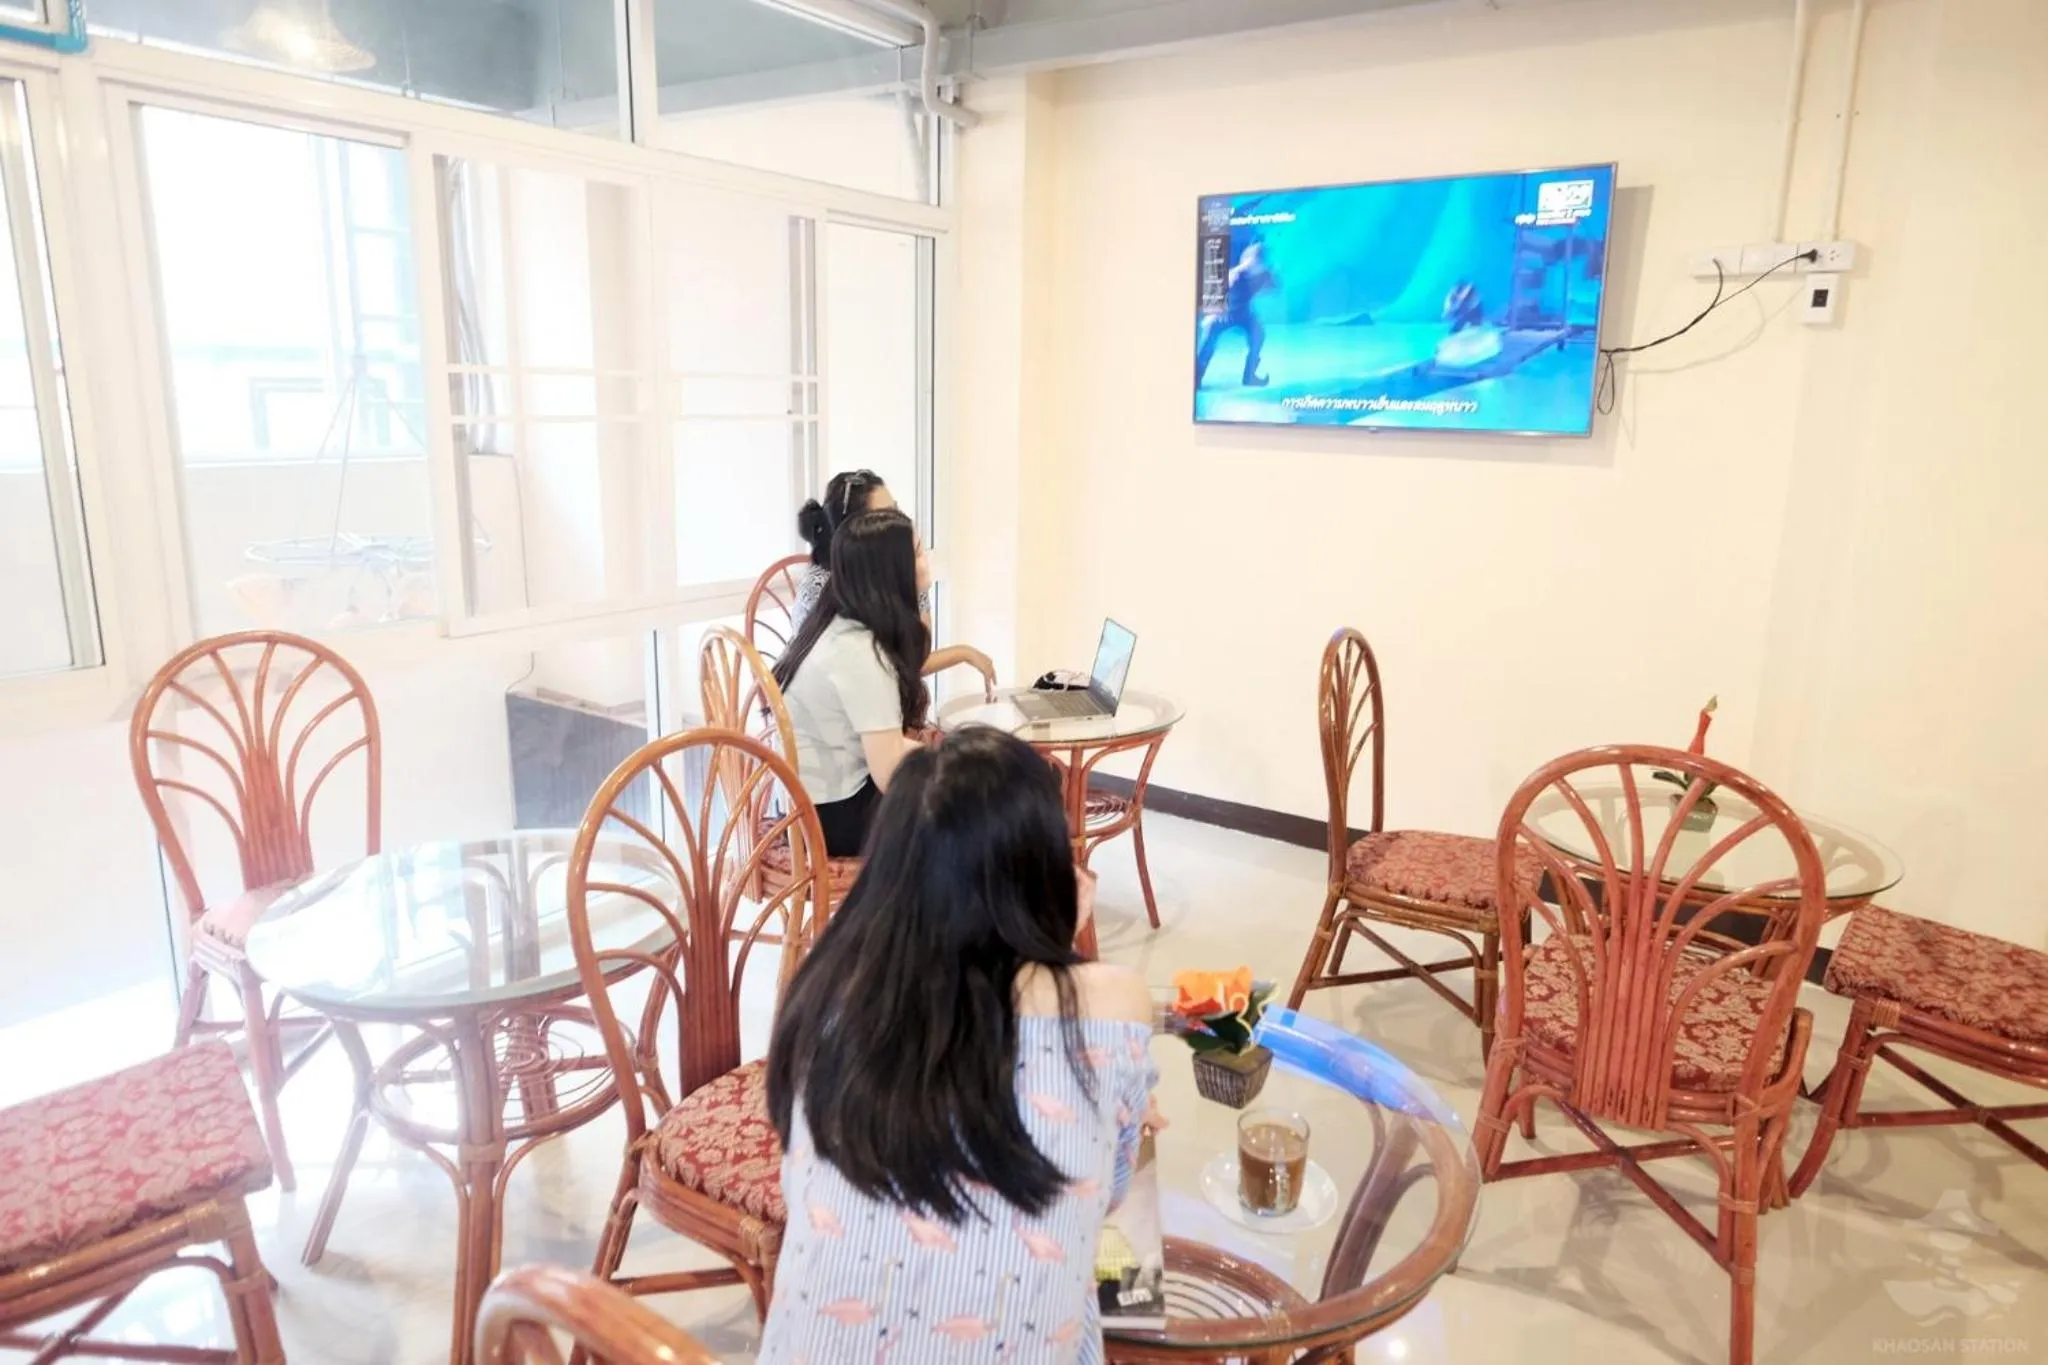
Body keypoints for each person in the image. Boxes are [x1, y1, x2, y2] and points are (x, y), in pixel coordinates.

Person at [762, 727, 1160, 1364]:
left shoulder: (824, 1001)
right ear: (1045, 867)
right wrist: (1063, 935)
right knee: (1125, 1229)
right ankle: (1139, 1325)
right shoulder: (1111, 1006)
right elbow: (1109, 1198)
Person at [772, 507, 934, 857]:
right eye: (919, 552)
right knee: (971, 816)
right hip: (830, 820)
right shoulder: (862, 653)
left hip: (806, 805)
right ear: (893, 573)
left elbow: (883, 744)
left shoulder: (835, 627)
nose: (926, 560)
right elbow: (889, 773)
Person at [793, 469, 996, 694]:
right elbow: (880, 674)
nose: (899, 521)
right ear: (860, 532)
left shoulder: (897, 572)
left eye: (896, 509)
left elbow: (915, 656)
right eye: (887, 514)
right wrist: (963, 653)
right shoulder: (827, 590)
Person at [1195, 240, 1280, 388]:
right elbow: (1215, 294)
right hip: (1223, 313)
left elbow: (1275, 287)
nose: (1253, 266)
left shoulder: (1265, 273)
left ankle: (1249, 377)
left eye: (1257, 264)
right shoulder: (1235, 275)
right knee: (1209, 338)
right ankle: (1196, 378)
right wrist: (1210, 315)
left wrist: (1272, 276)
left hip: (1244, 313)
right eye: (1250, 262)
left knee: (1258, 334)